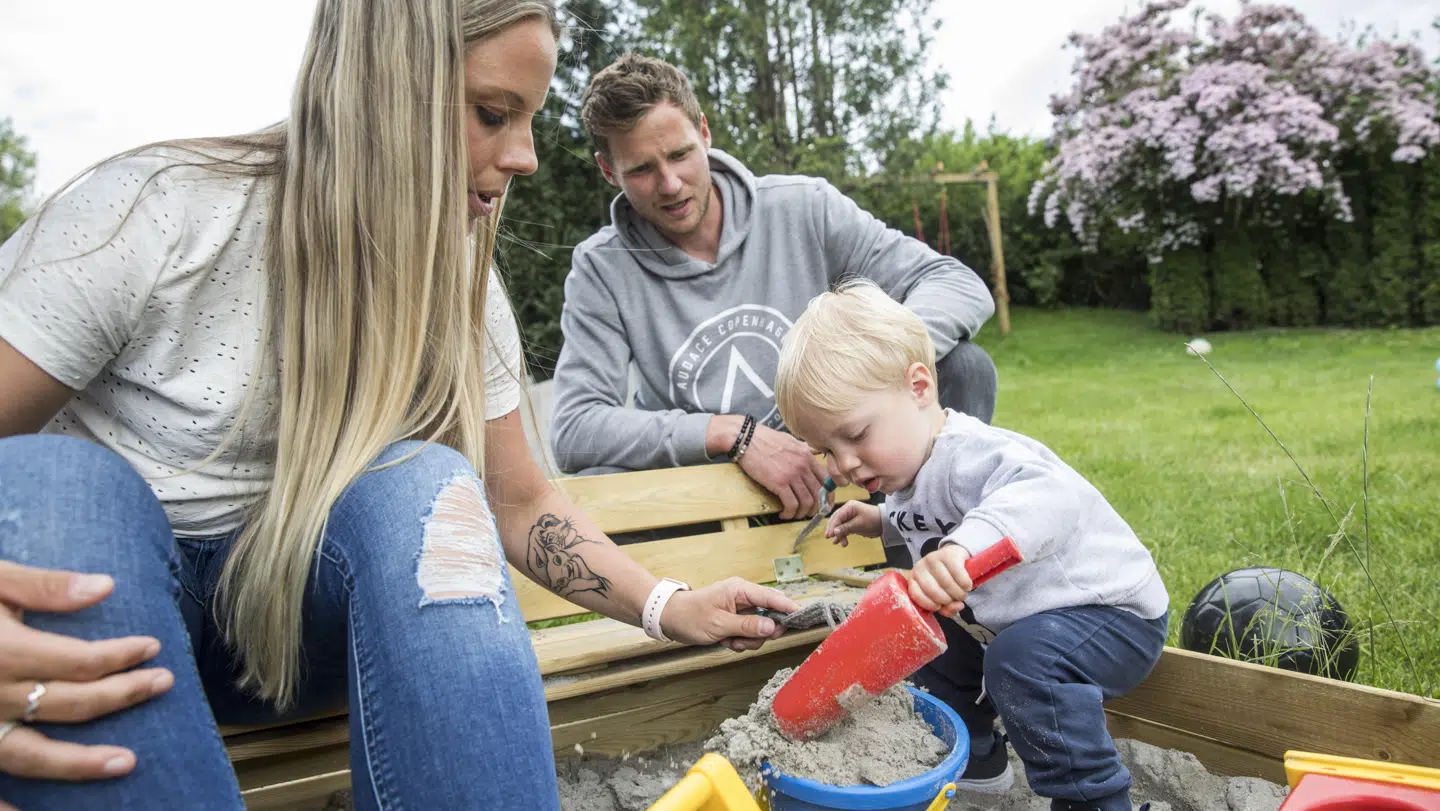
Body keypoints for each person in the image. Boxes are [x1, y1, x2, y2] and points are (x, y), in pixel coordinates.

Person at [0, 3, 800, 809]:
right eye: (493, 114)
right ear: (383, 86)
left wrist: (669, 604)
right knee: (51, 481)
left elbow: (518, 497)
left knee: (426, 482)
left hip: (299, 635)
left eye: (528, 118)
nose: (524, 157)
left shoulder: (455, 280)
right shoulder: (156, 212)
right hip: (118, 612)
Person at [548, 53, 998, 523]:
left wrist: (860, 374)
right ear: (608, 171)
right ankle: (691, 590)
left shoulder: (803, 208)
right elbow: (575, 427)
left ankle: (917, 541)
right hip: (712, 495)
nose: (671, 184)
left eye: (680, 154)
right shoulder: (601, 267)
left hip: (843, 469)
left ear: (703, 132)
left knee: (964, 368)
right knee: (589, 491)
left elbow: (956, 283)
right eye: (641, 169)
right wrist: (733, 435)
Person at [772, 279, 1169, 811]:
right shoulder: (908, 469)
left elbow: (1046, 497)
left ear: (919, 388)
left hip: (1108, 616)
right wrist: (881, 521)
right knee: (927, 640)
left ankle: (1093, 798)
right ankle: (980, 758)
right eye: (825, 450)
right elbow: (924, 513)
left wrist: (961, 550)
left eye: (857, 434)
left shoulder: (972, 452)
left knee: (1021, 662)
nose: (843, 464)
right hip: (1020, 618)